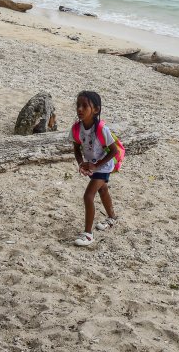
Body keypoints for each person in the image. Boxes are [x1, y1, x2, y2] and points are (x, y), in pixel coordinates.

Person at [71, 90, 119, 247]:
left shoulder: (102, 129)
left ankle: (88, 234)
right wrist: (81, 163)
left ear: (96, 110)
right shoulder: (77, 128)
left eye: (85, 106)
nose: (80, 109)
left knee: (88, 196)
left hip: (103, 166)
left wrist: (96, 166)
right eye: (78, 105)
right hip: (93, 165)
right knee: (102, 190)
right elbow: (76, 148)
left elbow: (114, 151)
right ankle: (112, 218)